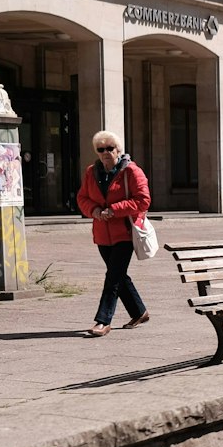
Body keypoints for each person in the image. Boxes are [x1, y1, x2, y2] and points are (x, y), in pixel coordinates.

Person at [76, 130, 151, 337]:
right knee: (118, 275)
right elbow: (82, 198)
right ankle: (139, 311)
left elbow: (143, 200)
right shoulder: (92, 172)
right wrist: (95, 211)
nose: (106, 152)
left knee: (113, 278)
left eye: (110, 148)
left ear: (118, 150)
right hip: (102, 233)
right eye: (101, 149)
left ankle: (103, 321)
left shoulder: (131, 171)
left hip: (124, 233)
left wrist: (115, 210)